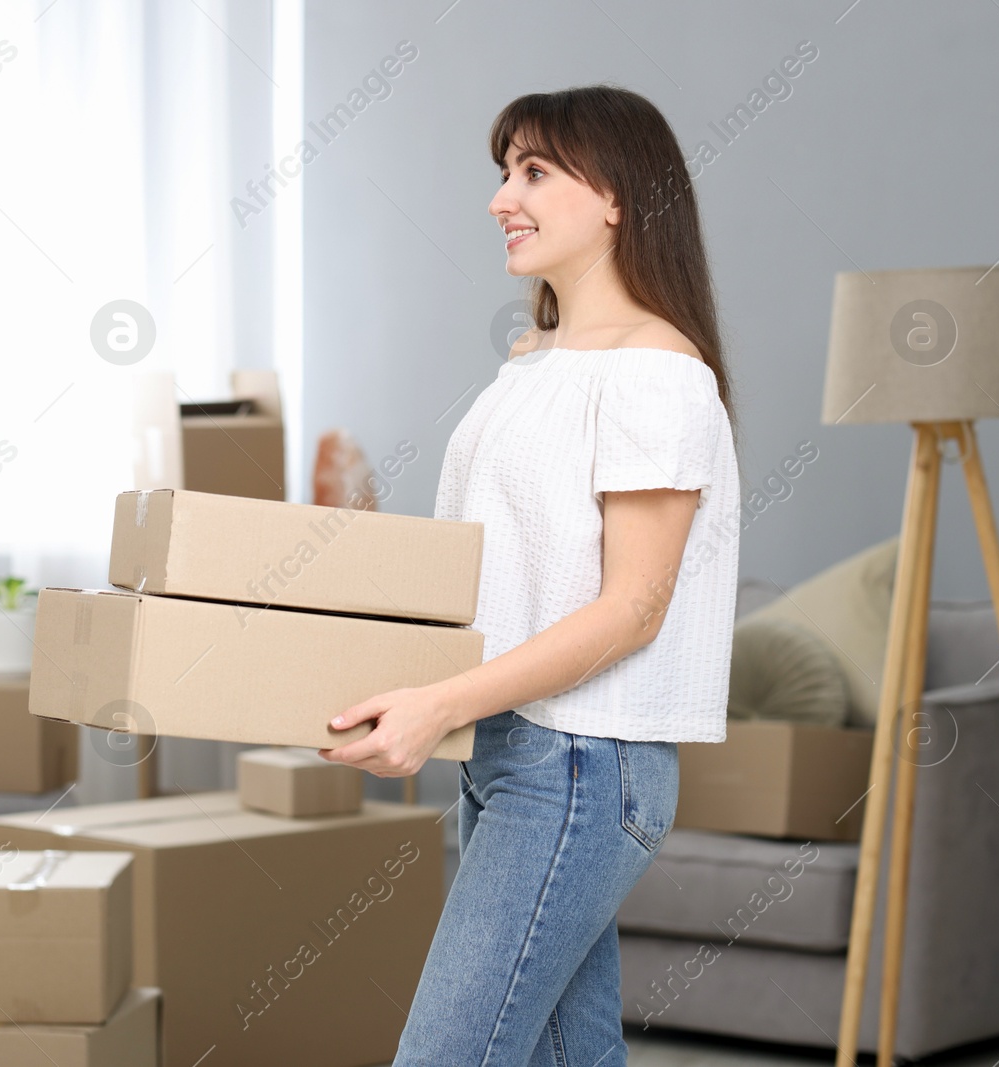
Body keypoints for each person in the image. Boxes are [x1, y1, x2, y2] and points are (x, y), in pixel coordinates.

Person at [317, 84, 743, 1066]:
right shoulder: (535, 359)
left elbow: (634, 608)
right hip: (513, 751)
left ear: (618, 199)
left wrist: (439, 701)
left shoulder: (655, 371)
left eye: (534, 171)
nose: (502, 196)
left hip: (581, 765)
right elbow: (499, 563)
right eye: (504, 171)